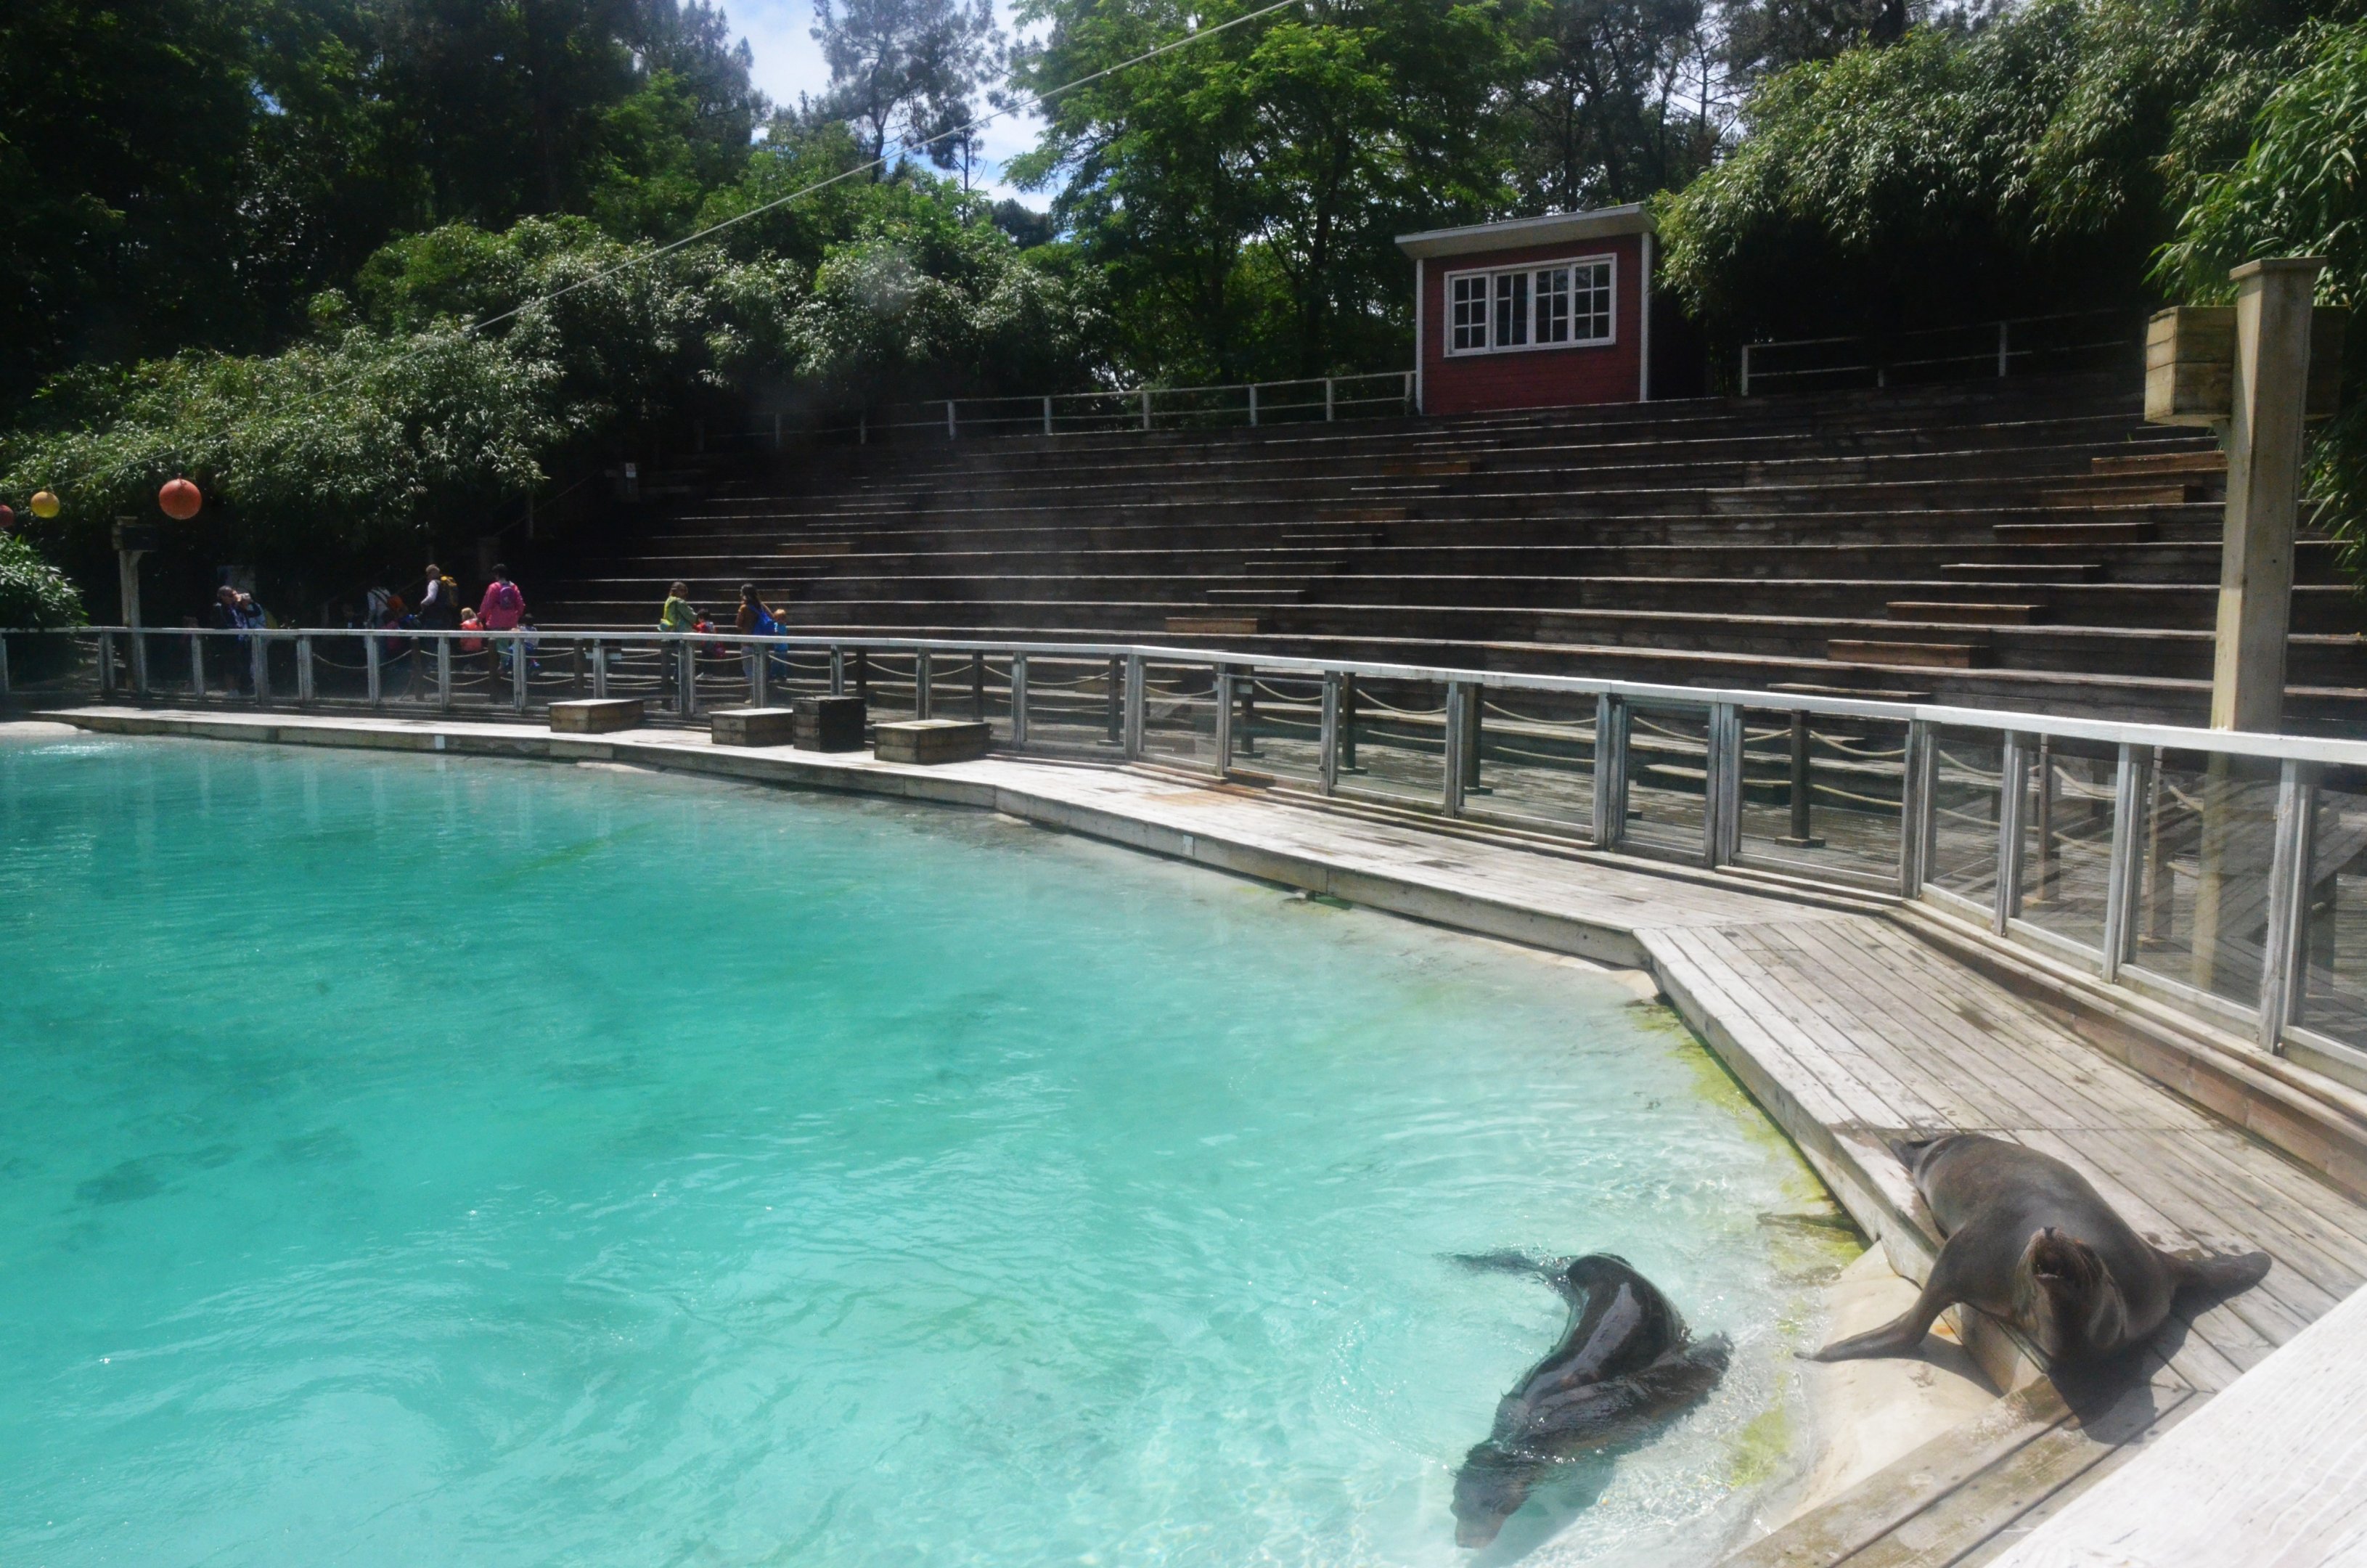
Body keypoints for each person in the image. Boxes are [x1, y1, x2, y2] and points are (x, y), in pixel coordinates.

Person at [478, 564, 524, 679]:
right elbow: (521, 604)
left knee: (501, 646)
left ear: (496, 574)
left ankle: (504, 667)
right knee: (511, 644)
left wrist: (480, 617)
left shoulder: (494, 587)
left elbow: (487, 604)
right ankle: (513, 666)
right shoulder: (513, 586)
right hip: (511, 621)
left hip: (497, 621)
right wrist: (516, 616)